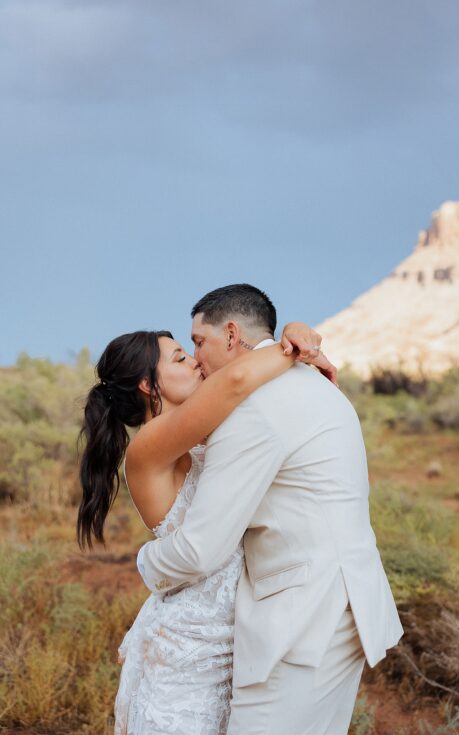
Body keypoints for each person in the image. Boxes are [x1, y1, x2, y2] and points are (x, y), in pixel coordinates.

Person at [137, 284, 403, 734]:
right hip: (338, 603)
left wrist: (145, 561)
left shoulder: (254, 408)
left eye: (198, 343)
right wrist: (300, 338)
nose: (196, 357)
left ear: (231, 334)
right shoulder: (311, 381)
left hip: (302, 622)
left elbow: (201, 550)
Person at [78, 318, 330, 734]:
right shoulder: (148, 446)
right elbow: (234, 382)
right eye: (180, 357)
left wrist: (298, 339)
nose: (195, 361)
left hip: (233, 640)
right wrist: (292, 343)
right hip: (187, 649)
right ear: (147, 385)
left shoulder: (200, 435)